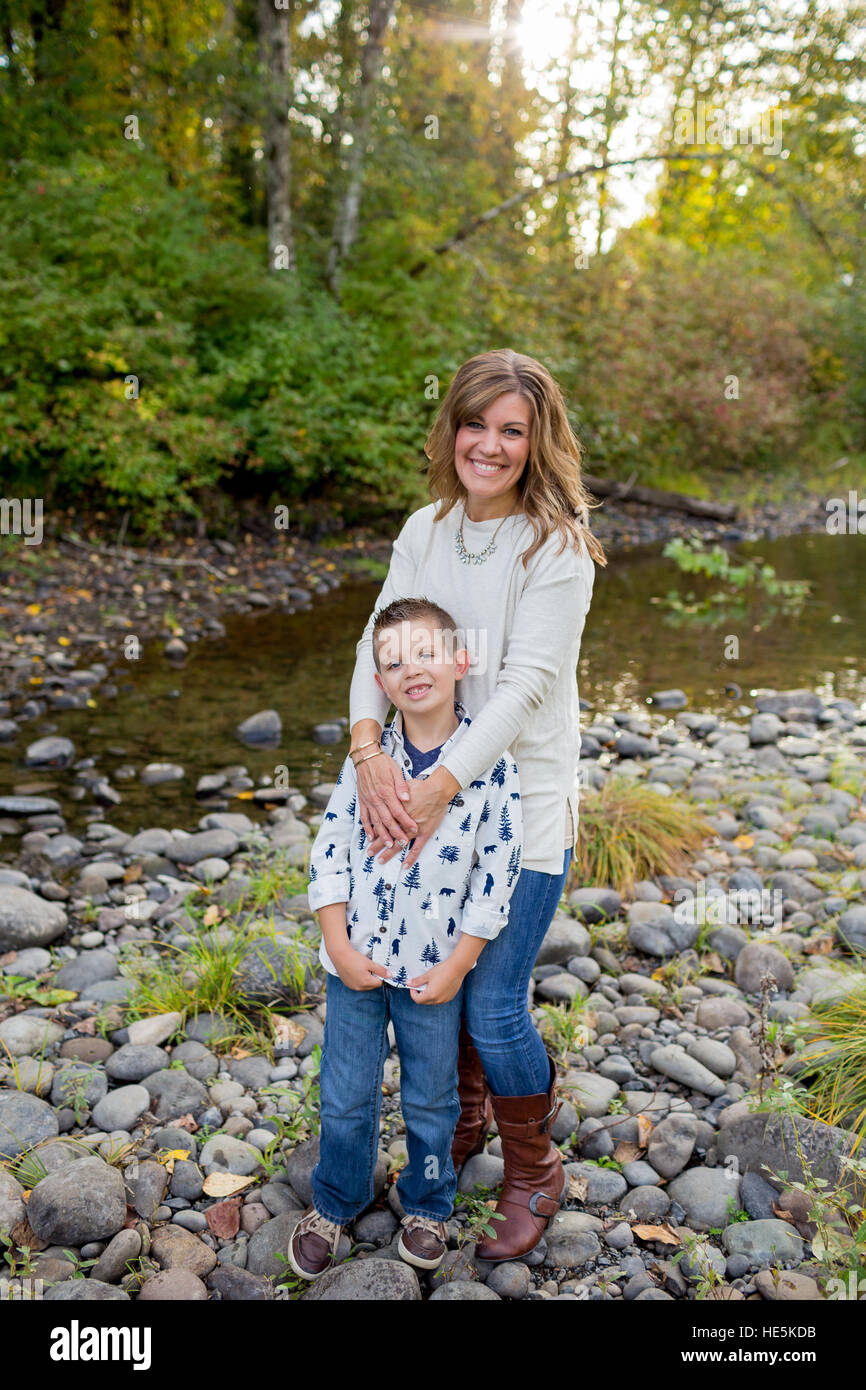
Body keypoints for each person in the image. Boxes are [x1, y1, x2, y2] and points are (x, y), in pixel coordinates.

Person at [347, 348, 606, 1261]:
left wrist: (439, 783)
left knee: (493, 1003)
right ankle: (462, 1126)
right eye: (476, 424)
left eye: (512, 430)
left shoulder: (556, 547)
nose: (489, 446)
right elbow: (376, 643)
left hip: (518, 808)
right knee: (434, 985)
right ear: (451, 425)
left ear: (537, 444)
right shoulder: (426, 527)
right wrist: (370, 747)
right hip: (421, 795)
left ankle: (535, 1170)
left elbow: (525, 686)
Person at [291, 596, 522, 1280]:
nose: (409, 669)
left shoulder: (489, 764)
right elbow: (330, 847)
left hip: (432, 970)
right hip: (355, 963)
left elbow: (496, 872)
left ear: (460, 660)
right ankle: (336, 1199)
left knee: (431, 1096)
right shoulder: (371, 762)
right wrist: (335, 941)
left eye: (424, 653)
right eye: (392, 662)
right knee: (345, 1092)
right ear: (380, 682)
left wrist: (460, 964)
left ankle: (426, 1203)